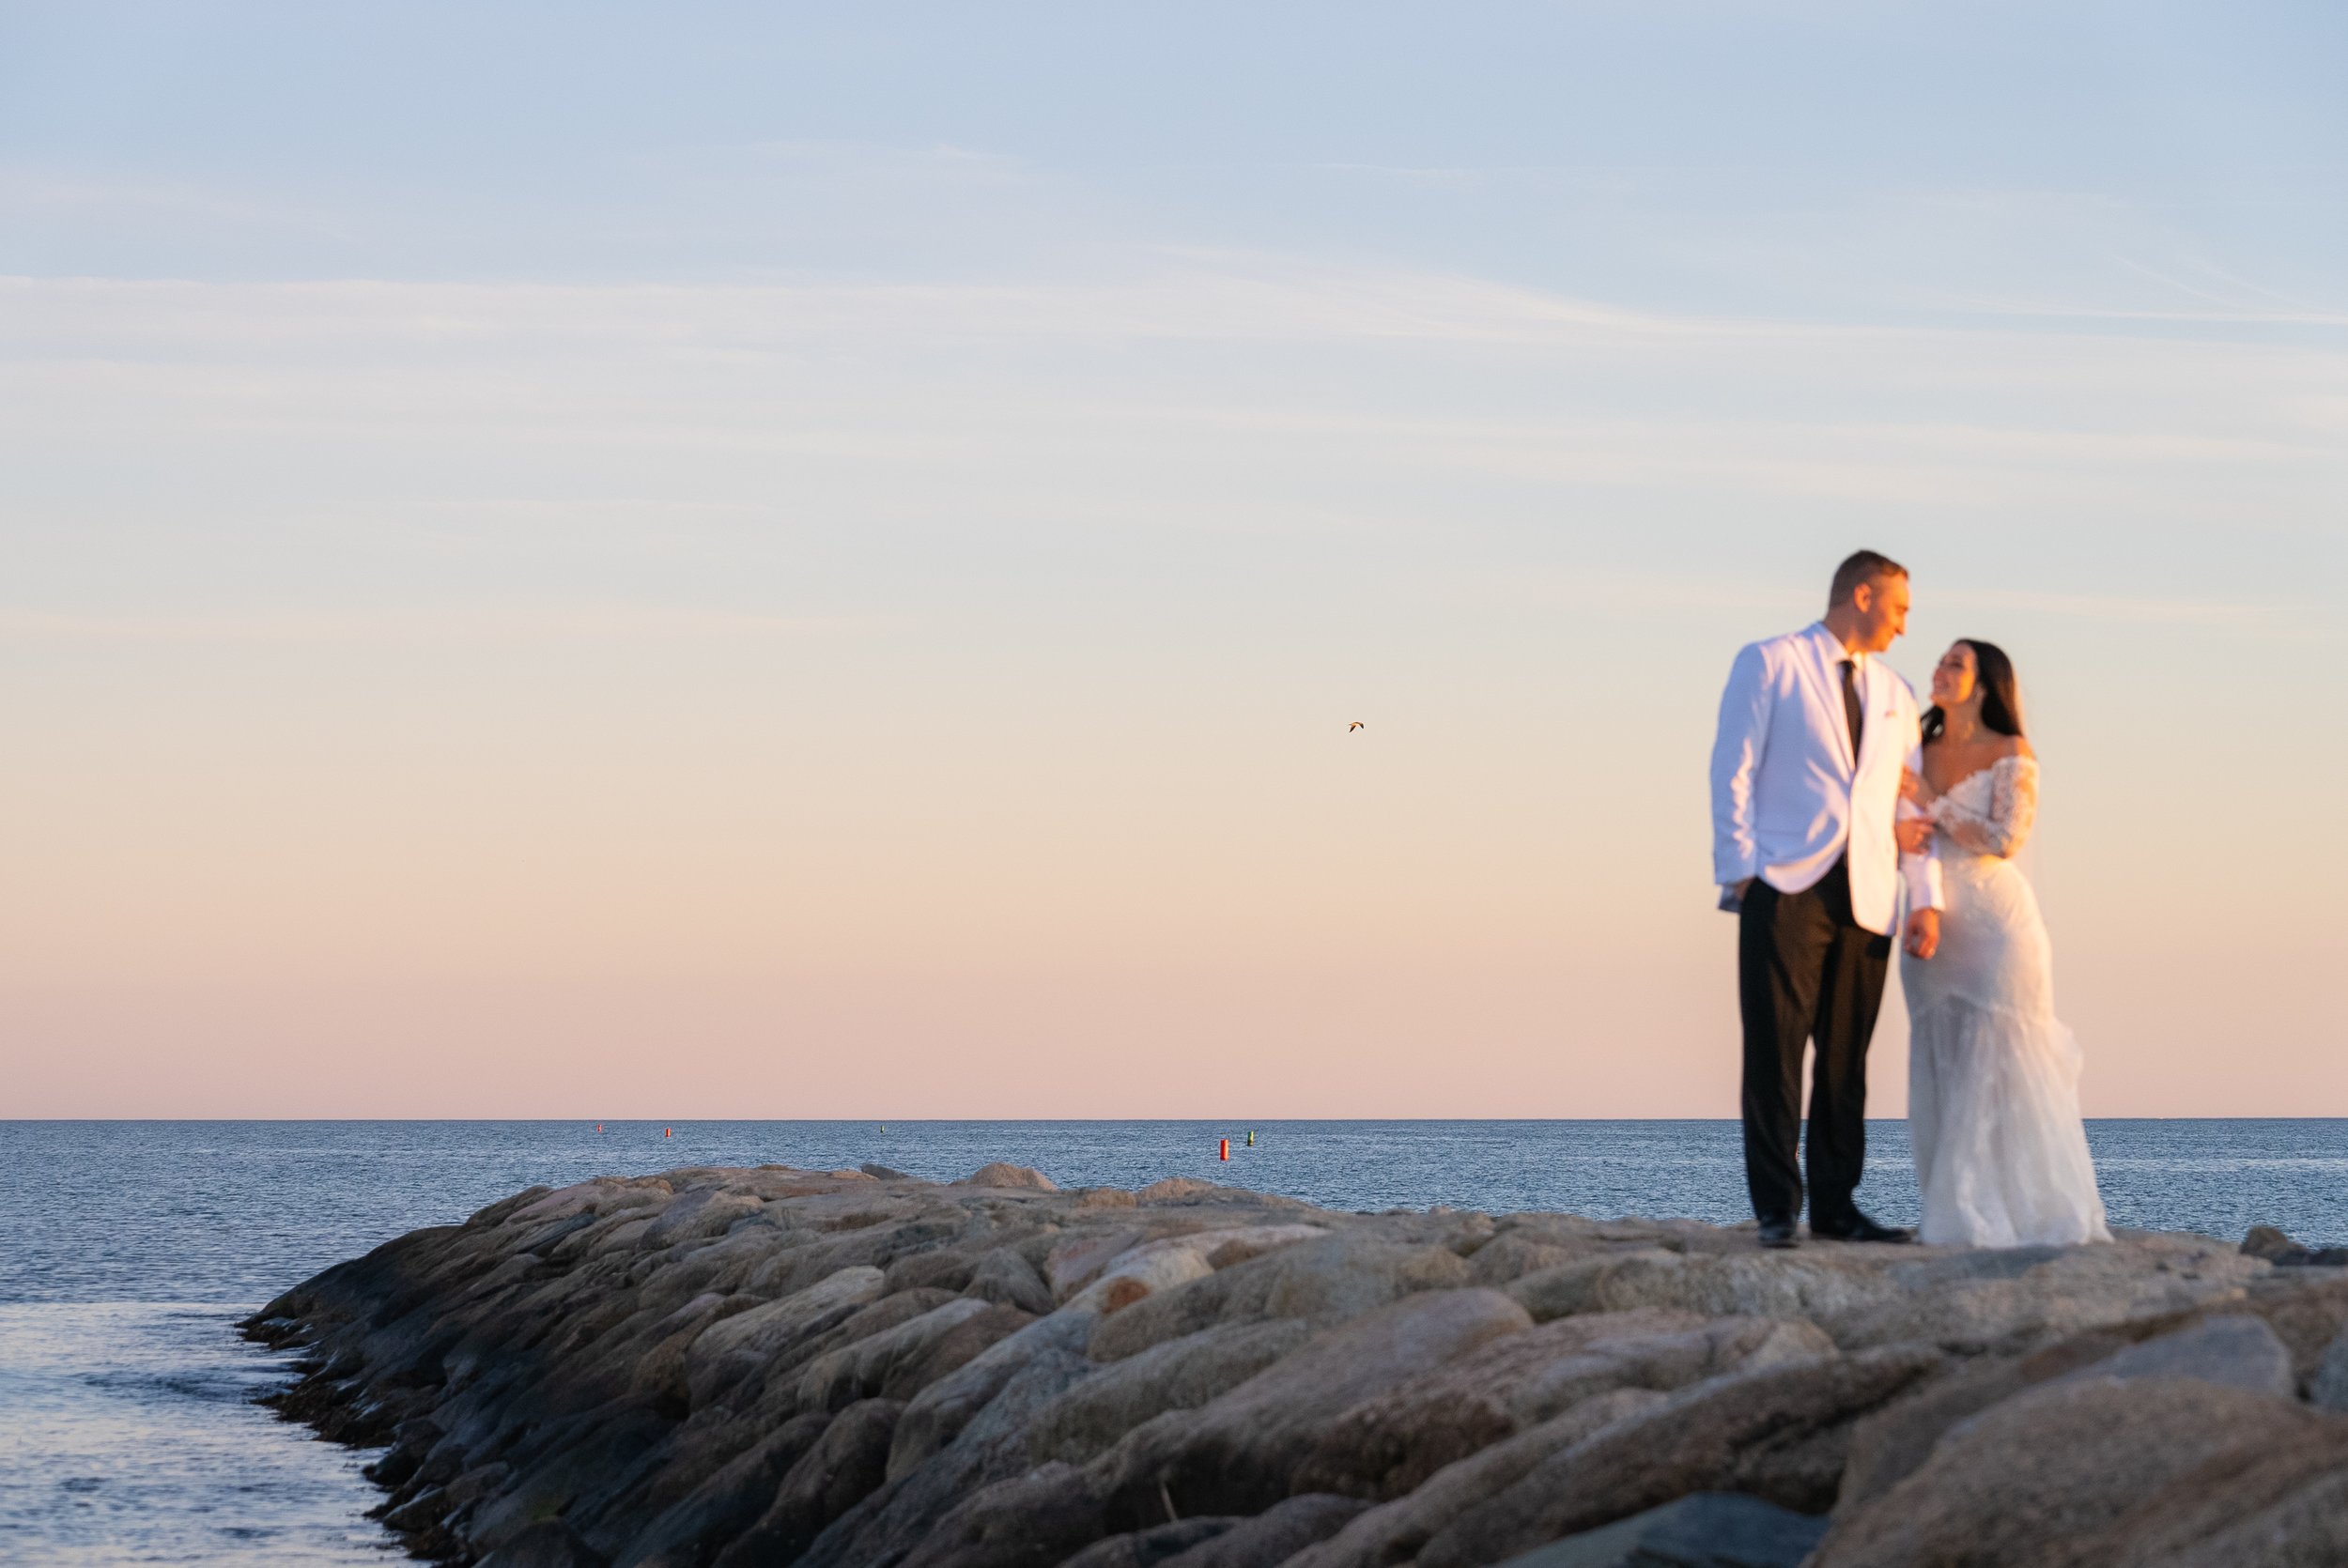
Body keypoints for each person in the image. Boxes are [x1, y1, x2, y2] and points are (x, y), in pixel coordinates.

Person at [1709, 550, 1943, 1248]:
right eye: (1900, 609)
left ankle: (1837, 1210)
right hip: (1784, 886)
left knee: (1847, 1061)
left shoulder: (1899, 695)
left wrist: (1923, 895)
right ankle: (1778, 1210)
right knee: (1774, 1055)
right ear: (1863, 595)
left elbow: (1911, 808)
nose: (1905, 627)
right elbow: (1733, 768)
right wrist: (1742, 870)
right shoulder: (1770, 662)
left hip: (1868, 897)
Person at [1901, 639, 2110, 1246]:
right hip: (1931, 920)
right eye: (1940, 661)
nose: (1939, 670)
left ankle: (2025, 1210)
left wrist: (1931, 806)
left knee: (2003, 1056)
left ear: (1987, 684)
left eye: (1955, 664)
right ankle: (1954, 1208)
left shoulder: (2011, 751)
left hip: (1997, 929)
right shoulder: (1914, 749)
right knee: (1941, 1055)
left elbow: (2005, 836)